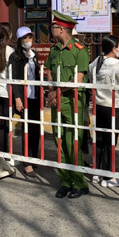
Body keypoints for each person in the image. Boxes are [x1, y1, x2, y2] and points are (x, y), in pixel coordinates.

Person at [44, 11, 91, 199]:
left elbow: (77, 80)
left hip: (73, 102)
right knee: (59, 141)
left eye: (53, 27)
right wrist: (50, 91)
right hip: (57, 101)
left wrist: (56, 92)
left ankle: (79, 183)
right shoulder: (54, 50)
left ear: (62, 29)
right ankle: (64, 181)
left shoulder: (80, 50)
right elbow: (49, 72)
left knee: (73, 143)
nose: (52, 30)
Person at [88, 35, 119, 187]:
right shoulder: (117, 64)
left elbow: (91, 80)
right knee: (110, 141)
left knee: (99, 139)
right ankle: (109, 175)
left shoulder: (95, 62)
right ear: (113, 48)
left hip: (98, 105)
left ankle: (97, 172)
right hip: (112, 106)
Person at [10, 27, 42, 176]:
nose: (28, 41)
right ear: (19, 41)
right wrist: (17, 98)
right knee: (27, 129)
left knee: (35, 128)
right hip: (23, 97)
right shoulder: (15, 57)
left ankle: (34, 157)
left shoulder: (34, 56)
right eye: (25, 38)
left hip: (34, 96)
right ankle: (26, 161)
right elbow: (14, 79)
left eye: (30, 37)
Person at [0, 22, 16, 155]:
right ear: (9, 35)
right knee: (5, 126)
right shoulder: (11, 51)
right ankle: (5, 153)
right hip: (7, 92)